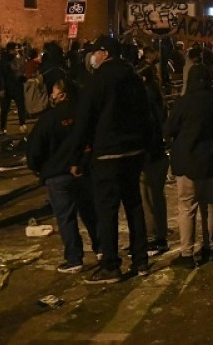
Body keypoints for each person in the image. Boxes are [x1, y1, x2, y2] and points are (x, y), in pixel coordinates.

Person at [69, 35, 153, 284]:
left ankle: (111, 265)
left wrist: (76, 156)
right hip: (134, 151)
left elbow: (85, 120)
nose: (93, 57)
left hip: (107, 153)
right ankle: (141, 260)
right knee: (134, 205)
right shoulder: (134, 77)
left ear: (104, 53)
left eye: (95, 52)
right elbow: (145, 115)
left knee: (107, 211)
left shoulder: (98, 81)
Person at [26, 78, 100, 273]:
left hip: (58, 174)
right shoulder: (85, 115)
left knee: (66, 218)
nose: (51, 95)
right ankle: (101, 249)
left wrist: (36, 167)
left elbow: (35, 148)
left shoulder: (49, 118)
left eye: (54, 92)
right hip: (84, 171)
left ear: (63, 95)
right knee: (90, 212)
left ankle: (74, 259)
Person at [166, 63, 213, 268]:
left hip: (188, 161)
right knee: (209, 204)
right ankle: (209, 248)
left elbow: (169, 129)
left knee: (187, 206)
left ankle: (187, 253)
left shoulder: (184, 103)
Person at [137, 62, 169, 256]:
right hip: (158, 153)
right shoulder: (158, 97)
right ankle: (160, 235)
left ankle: (153, 238)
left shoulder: (145, 100)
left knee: (147, 198)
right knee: (157, 197)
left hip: (150, 154)